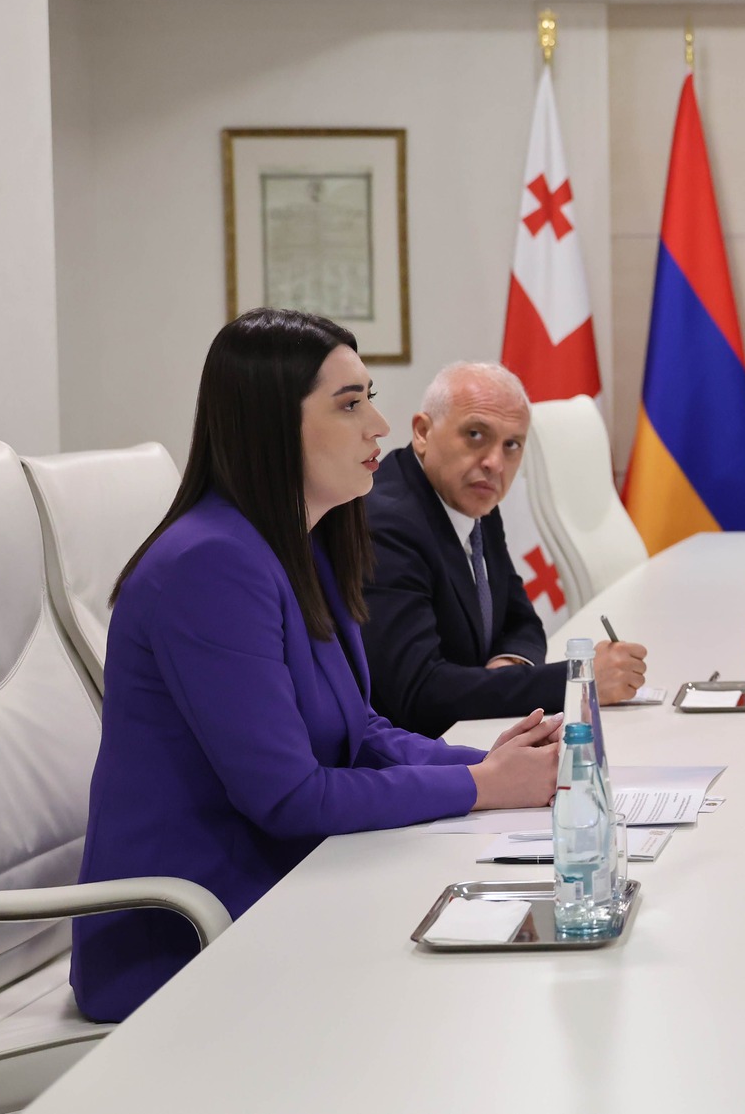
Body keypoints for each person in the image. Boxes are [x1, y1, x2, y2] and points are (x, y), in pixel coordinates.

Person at [73, 310, 563, 1023]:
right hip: (187, 937)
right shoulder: (208, 564)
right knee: (475, 1002)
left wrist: (495, 766)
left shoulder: (301, 544)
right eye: (351, 404)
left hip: (289, 888)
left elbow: (361, 731)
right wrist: (479, 786)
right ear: (274, 423)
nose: (379, 426)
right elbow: (290, 797)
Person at [362, 361, 647, 737]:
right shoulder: (386, 523)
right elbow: (418, 695)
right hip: (403, 754)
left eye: (512, 445)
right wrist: (579, 678)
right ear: (423, 432)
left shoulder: (471, 496)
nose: (495, 463)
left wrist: (508, 666)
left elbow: (520, 619)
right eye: (475, 434)